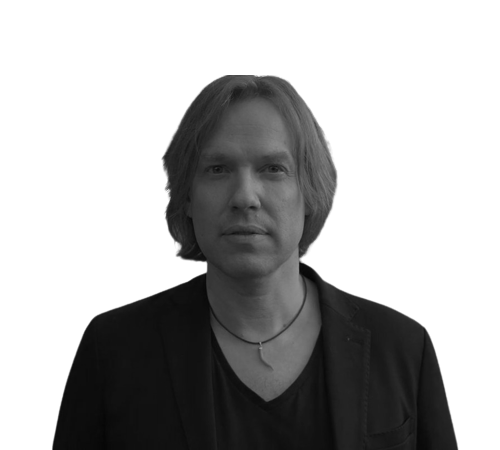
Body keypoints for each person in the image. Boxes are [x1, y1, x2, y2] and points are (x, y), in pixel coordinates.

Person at [53, 75, 457, 449]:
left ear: (309, 192)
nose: (245, 196)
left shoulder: (404, 346)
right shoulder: (112, 348)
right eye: (217, 169)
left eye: (273, 169)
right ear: (187, 197)